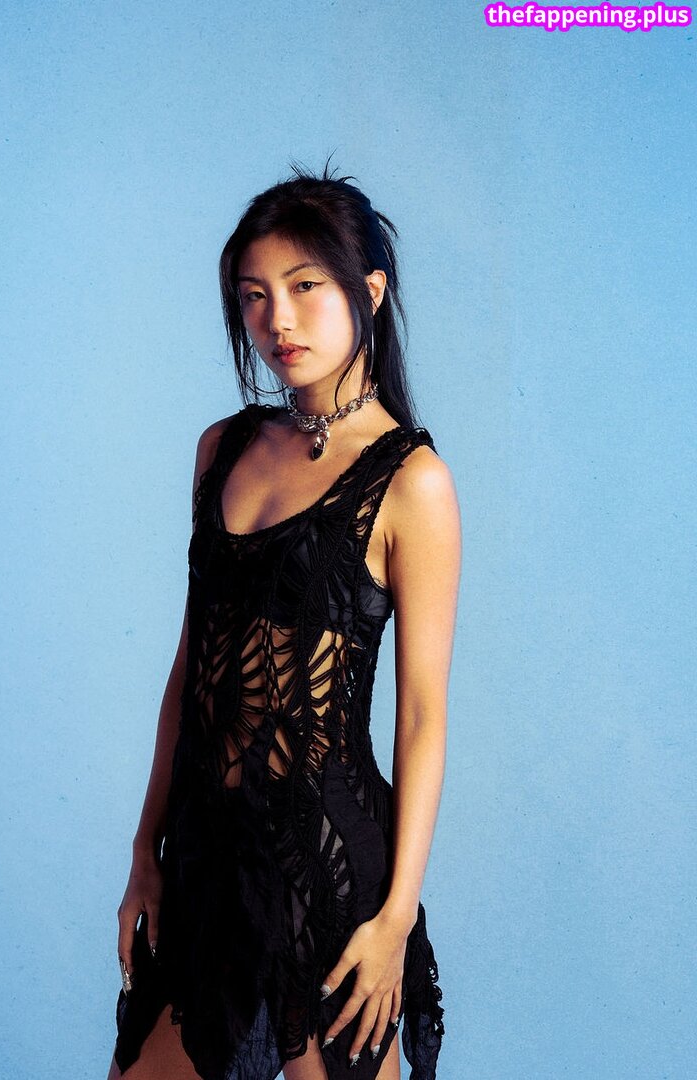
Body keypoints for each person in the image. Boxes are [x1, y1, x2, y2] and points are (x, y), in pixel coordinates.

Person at [106, 161, 462, 1080]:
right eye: (255, 295)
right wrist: (145, 849)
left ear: (369, 292)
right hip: (203, 857)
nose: (279, 321)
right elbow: (193, 669)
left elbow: (422, 716)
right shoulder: (221, 449)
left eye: (305, 287)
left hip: (327, 870)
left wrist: (397, 916)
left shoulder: (411, 483)